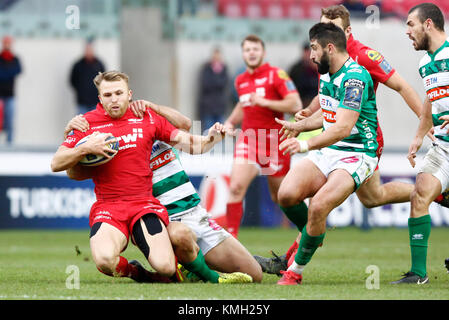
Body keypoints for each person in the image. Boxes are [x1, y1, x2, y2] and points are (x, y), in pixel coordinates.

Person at [254, 4, 449, 276]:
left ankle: (290, 261)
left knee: (320, 203)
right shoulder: (325, 53)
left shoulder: (365, 57)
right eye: (322, 27)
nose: (325, 34)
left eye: (331, 29)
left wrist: (423, 123)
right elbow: (329, 97)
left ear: (347, 31)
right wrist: (308, 113)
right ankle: (434, 194)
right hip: (335, 136)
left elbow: (403, 86)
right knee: (373, 198)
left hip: (362, 142)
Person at [51, 71, 245, 284]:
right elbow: (56, 163)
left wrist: (212, 138)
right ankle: (139, 273)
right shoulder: (86, 124)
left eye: (119, 93)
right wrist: (86, 147)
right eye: (107, 95)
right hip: (109, 207)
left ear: (129, 94)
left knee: (166, 265)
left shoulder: (146, 117)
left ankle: (200, 273)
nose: (114, 99)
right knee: (105, 260)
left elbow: (191, 142)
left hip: (144, 206)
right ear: (100, 98)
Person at [273, 22, 380, 285]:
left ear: (329, 48)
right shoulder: (327, 74)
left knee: (319, 206)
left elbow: (343, 127)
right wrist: (299, 126)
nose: (310, 55)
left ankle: (294, 271)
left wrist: (305, 145)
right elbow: (328, 116)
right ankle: (314, 235)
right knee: (286, 195)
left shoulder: (355, 77)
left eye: (313, 49)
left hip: (358, 154)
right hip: (330, 150)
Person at [391, 2, 449, 284]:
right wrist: (418, 135)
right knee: (420, 194)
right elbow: (430, 99)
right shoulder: (426, 63)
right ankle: (418, 273)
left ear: (428, 24)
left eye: (410, 25)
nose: (407, 32)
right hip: (444, 148)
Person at [223, 34, 302, 238]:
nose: (251, 53)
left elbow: (295, 105)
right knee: (235, 187)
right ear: (243, 54)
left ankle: (308, 229)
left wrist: (265, 102)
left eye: (255, 49)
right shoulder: (240, 80)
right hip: (248, 138)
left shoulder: (277, 75)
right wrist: (230, 122)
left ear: (263, 53)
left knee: (281, 197)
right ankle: (230, 242)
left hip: (275, 142)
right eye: (247, 50)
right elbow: (243, 104)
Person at [69, 38, 105, 115]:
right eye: (87, 49)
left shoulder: (99, 64)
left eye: (90, 49)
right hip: (82, 102)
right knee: (81, 124)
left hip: (95, 102)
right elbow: (73, 81)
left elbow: (104, 80)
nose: (89, 51)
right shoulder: (78, 65)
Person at [197, 47, 229, 132]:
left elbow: (224, 83)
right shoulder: (206, 68)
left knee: (220, 133)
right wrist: (217, 78)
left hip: (220, 106)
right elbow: (206, 84)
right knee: (208, 133)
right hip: (208, 106)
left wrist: (215, 79)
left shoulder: (224, 68)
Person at [0, 35, 21, 144]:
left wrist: (5, 73)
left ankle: (9, 143)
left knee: (10, 120)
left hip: (10, 95)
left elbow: (18, 70)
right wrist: (8, 73)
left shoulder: (15, 59)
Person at [288, 42, 319, 107]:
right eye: (307, 52)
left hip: (318, 102)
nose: (309, 55)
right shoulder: (296, 69)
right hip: (301, 102)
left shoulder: (321, 68)